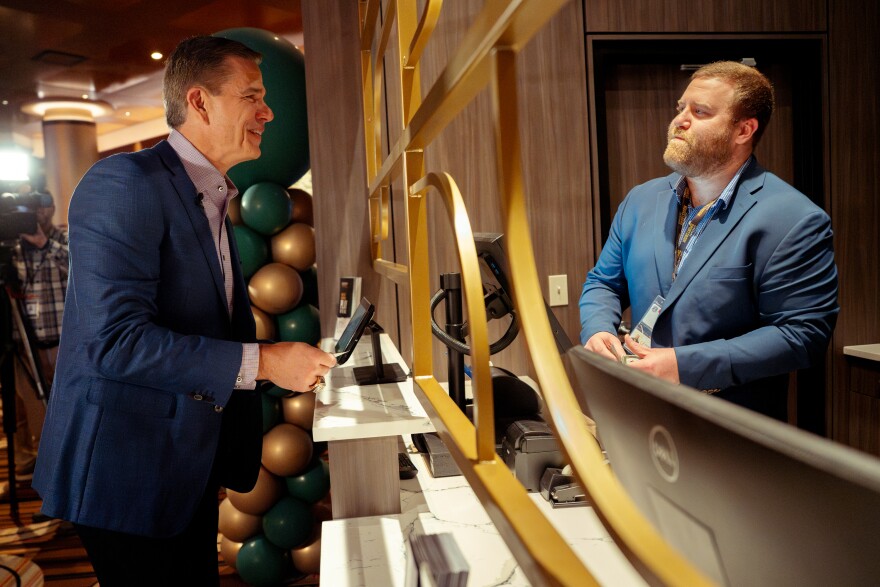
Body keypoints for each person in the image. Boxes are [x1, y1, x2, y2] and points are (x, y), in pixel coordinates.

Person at [32, 36, 335, 585]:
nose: (268, 112)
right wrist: (266, 362)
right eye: (252, 96)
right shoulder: (124, 182)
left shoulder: (211, 193)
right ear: (199, 102)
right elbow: (115, 343)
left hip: (184, 463)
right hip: (125, 472)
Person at [579, 61, 838, 420]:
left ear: (744, 130)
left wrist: (683, 365)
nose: (680, 120)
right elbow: (603, 282)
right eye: (680, 108)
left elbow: (801, 335)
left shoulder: (794, 219)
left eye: (700, 112)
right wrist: (596, 330)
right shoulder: (640, 200)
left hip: (728, 430)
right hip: (638, 413)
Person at [0, 190, 67, 499]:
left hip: (64, 345)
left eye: (40, 209)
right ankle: (47, 484)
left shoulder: (65, 239)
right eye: (28, 211)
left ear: (51, 209)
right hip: (26, 348)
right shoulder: (11, 249)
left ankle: (68, 485)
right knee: (38, 419)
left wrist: (43, 243)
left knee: (66, 417)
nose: (34, 216)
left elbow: (82, 266)